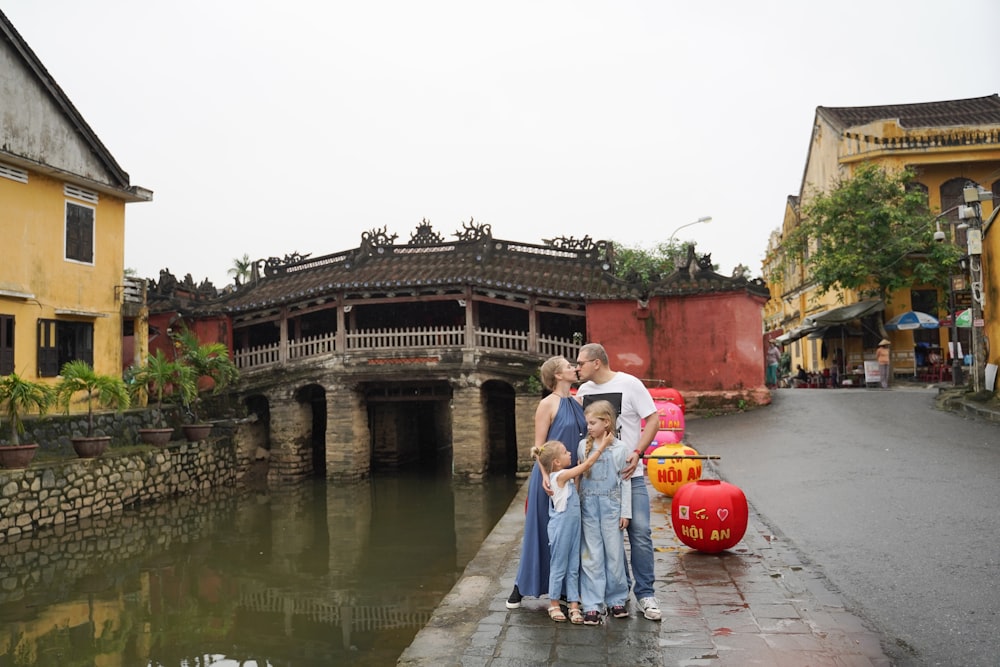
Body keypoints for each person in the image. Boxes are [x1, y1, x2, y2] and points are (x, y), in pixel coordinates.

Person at [575, 343, 661, 621]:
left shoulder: (630, 384)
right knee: (607, 540)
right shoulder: (584, 392)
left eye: (581, 363)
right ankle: (617, 594)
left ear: (596, 362)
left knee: (641, 534)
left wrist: (638, 452)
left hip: (629, 475)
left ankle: (646, 594)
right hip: (597, 485)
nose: (578, 368)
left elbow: (653, 419)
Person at [507, 356, 588, 609]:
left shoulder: (577, 402)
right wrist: (544, 476)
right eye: (568, 366)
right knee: (541, 529)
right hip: (548, 478)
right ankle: (522, 586)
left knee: (569, 534)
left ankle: (564, 589)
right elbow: (539, 447)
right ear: (557, 375)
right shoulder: (546, 404)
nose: (573, 368)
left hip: (573, 476)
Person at [530, 433, 613, 624]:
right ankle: (554, 603)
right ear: (557, 462)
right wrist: (602, 447)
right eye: (566, 452)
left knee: (573, 566)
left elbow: (574, 492)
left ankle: (574, 604)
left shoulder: (565, 479)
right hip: (561, 528)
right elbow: (585, 466)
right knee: (558, 566)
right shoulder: (558, 476)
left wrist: (578, 479)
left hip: (573, 526)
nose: (570, 453)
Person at [576, 400, 632, 625]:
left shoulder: (620, 449)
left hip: (611, 507)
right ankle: (592, 603)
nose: (588, 427)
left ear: (606, 422)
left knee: (614, 553)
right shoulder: (583, 446)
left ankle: (616, 598)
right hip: (588, 507)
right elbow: (580, 476)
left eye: (592, 422)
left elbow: (624, 482)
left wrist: (625, 512)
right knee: (591, 555)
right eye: (587, 422)